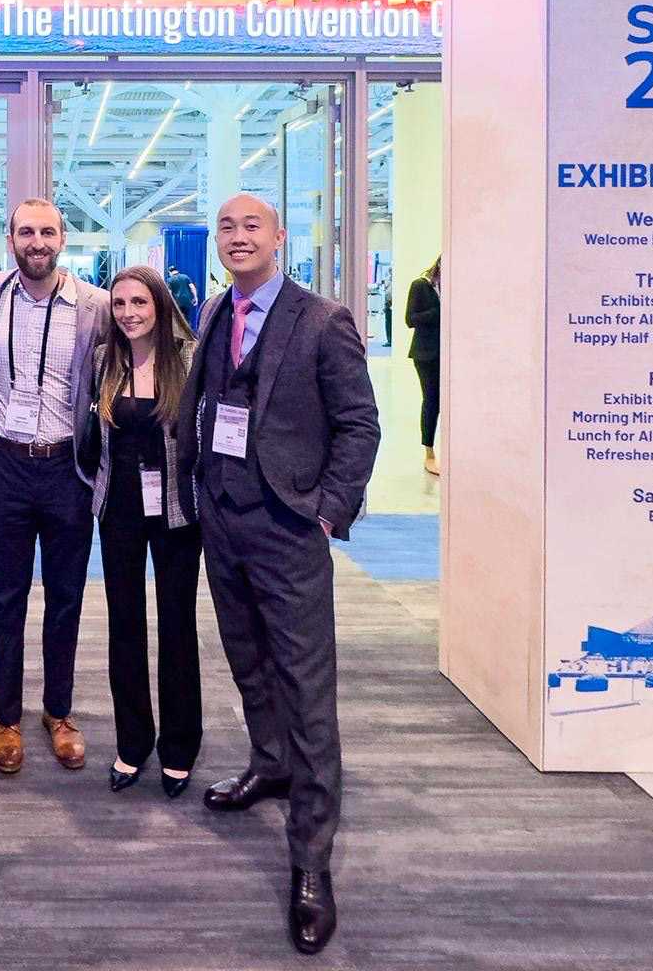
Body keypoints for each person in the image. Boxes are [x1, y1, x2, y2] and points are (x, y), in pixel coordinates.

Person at [176, 193, 380, 956]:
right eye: (226, 227)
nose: (236, 237)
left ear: (279, 238)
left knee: (306, 687)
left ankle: (311, 863)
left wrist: (327, 511)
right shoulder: (214, 315)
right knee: (249, 662)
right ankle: (269, 763)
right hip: (223, 521)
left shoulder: (321, 320)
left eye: (250, 225)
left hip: (290, 527)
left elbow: (361, 423)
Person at [0, 198, 110, 774]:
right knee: (4, 599)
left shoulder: (94, 305)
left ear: (63, 238)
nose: (37, 241)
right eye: (26, 231)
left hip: (65, 469)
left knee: (66, 598)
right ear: (10, 238)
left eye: (47, 232)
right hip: (2, 464)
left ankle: (58, 711)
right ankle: (6, 716)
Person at [90, 266, 202, 799]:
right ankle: (133, 743)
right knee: (125, 626)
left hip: (178, 511)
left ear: (159, 305)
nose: (129, 313)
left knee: (177, 625)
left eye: (139, 303)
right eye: (119, 305)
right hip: (120, 511)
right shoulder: (103, 360)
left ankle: (179, 747)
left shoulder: (189, 359)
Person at [406, 256, 441, 476]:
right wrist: (438, 312)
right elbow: (410, 319)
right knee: (431, 401)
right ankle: (429, 452)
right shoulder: (421, 285)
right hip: (426, 354)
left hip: (451, 354)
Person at [165, 263, 196, 330]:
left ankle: (180, 336)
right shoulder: (185, 277)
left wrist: (168, 302)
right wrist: (195, 297)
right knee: (187, 318)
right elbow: (192, 287)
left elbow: (169, 292)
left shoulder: (170, 280)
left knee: (177, 319)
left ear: (170, 272)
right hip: (187, 301)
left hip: (177, 303)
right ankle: (189, 335)